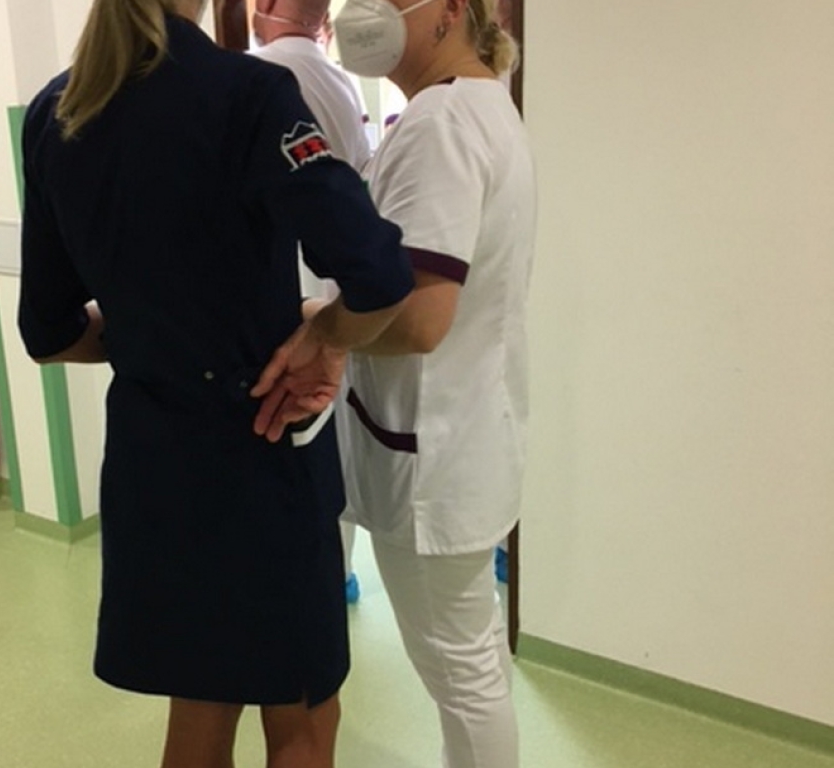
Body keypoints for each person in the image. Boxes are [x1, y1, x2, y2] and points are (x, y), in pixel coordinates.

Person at [16, 1, 414, 766]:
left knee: (199, 707)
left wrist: (150, 340)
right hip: (262, 448)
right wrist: (323, 335)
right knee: (299, 717)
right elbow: (379, 274)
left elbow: (49, 332)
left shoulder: (54, 113)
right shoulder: (249, 95)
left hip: (153, 469)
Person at [329, 0, 536, 765]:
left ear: (449, 11)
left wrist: (319, 328)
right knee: (473, 662)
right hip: (467, 433)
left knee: (462, 674)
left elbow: (419, 321)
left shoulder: (440, 122)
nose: (362, 13)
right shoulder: (483, 106)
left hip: (434, 456)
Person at [248, 0, 371, 604]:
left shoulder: (260, 75)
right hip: (338, 286)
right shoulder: (341, 82)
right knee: (331, 432)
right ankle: (339, 572)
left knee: (285, 426)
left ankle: (310, 577)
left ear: (266, 5)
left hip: (286, 289)